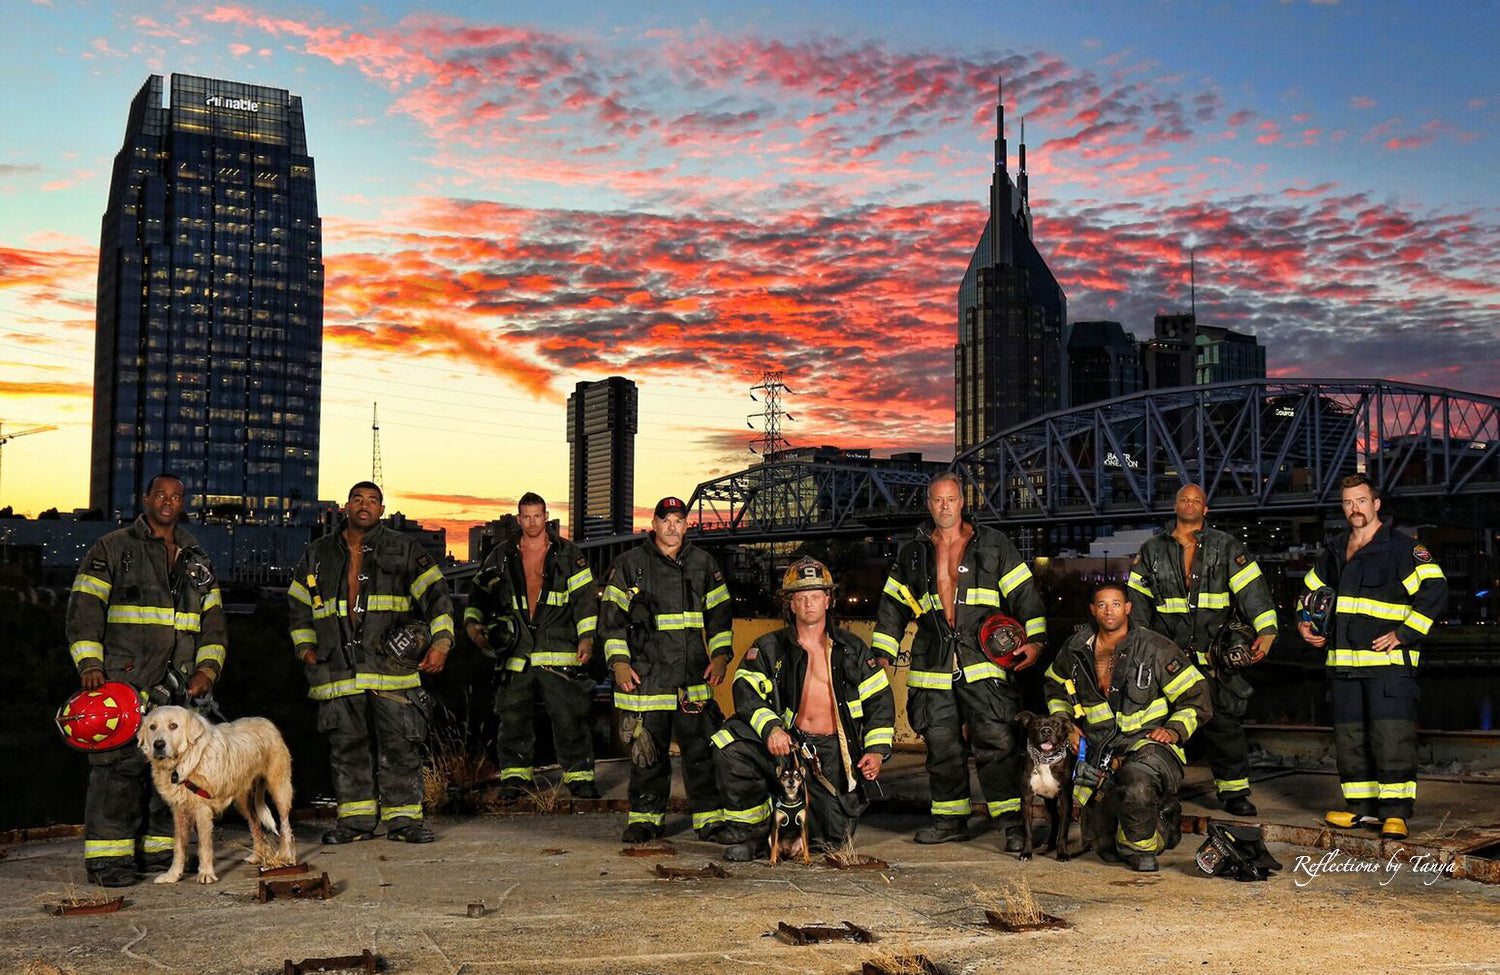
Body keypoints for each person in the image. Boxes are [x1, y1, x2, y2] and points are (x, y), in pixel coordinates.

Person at [64, 474, 228, 887]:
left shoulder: (197, 559)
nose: (168, 502)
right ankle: (109, 861)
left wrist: (208, 670)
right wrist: (89, 664)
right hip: (124, 682)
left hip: (182, 687)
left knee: (176, 772)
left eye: (175, 496)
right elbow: (84, 609)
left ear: (182, 501)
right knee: (117, 772)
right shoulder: (114, 548)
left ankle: (161, 853)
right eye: (161, 495)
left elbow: (214, 625)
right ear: (146, 499)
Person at [871, 472, 1046, 848]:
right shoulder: (913, 552)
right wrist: (883, 651)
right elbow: (892, 606)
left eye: (950, 499)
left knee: (997, 742)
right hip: (932, 663)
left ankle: (1014, 824)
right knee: (941, 744)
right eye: (937, 501)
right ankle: (950, 820)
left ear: (963, 501)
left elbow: (1025, 595)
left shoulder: (994, 544)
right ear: (928, 504)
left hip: (983, 660)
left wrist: (1035, 641)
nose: (944, 507)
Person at [288, 481, 455, 844]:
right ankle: (355, 823)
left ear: (382, 509)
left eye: (373, 501)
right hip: (337, 670)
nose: (365, 506)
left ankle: (404, 822)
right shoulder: (318, 553)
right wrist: (306, 649)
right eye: (358, 499)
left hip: (391, 670)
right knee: (347, 749)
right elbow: (298, 605)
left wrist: (441, 643)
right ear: (346, 505)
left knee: (400, 746)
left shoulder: (404, 547)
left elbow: (438, 597)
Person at [710, 557, 895, 861]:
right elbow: (744, 688)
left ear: (827, 600)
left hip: (831, 755)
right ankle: (752, 835)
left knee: (832, 840)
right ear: (791, 604)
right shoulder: (770, 647)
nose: (808, 603)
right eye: (800, 597)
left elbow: (880, 702)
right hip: (787, 745)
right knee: (729, 742)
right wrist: (770, 727)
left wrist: (875, 751)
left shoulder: (852, 650)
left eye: (815, 596)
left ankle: (799, 830)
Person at [1299, 474, 1447, 840]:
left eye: (1362, 501)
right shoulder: (1334, 550)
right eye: (1348, 502)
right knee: (1351, 739)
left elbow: (1435, 589)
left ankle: (1395, 812)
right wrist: (1305, 623)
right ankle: (1361, 811)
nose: (1355, 509)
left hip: (1389, 670)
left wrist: (1403, 634)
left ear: (1376, 504)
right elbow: (1310, 592)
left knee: (1391, 737)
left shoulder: (1401, 548)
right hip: (1344, 667)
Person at [1127, 483, 1278, 817]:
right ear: (1175, 505)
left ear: (1205, 509)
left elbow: (1254, 591)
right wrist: (1139, 650)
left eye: (1197, 500)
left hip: (1212, 657)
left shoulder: (1226, 547)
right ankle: (1157, 789)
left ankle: (1234, 792)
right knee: (1160, 724)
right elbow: (1137, 605)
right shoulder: (1152, 550)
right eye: (1184, 498)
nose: (1190, 503)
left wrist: (1266, 632)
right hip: (1168, 659)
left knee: (1223, 725)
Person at [1044, 582, 1212, 872]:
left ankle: (1143, 850)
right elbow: (1054, 685)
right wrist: (1067, 725)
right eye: (1102, 605)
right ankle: (1158, 820)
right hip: (1101, 751)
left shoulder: (1155, 648)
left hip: (1148, 746)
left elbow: (1197, 696)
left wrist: (1173, 730)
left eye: (1116, 604)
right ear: (1092, 610)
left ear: (1128, 608)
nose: (1109, 611)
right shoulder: (1075, 649)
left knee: (1136, 785)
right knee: (1104, 849)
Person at [598, 497, 732, 843]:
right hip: (647, 677)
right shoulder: (630, 564)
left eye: (678, 520)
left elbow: (720, 617)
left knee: (701, 752)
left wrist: (720, 658)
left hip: (693, 678)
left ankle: (710, 821)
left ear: (686, 525)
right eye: (665, 520)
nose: (672, 527)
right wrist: (620, 663)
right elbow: (611, 621)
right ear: (654, 524)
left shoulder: (704, 564)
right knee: (648, 754)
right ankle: (645, 821)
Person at [466, 493, 600, 799]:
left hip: (558, 648)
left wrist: (587, 638)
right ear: (518, 518)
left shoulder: (568, 553)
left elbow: (584, 601)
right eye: (526, 517)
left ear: (546, 516)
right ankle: (514, 779)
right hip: (516, 650)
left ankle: (579, 778)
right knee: (512, 718)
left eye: (537, 516)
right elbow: (478, 594)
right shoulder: (501, 554)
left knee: (569, 716)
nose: (532, 522)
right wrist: (473, 624)